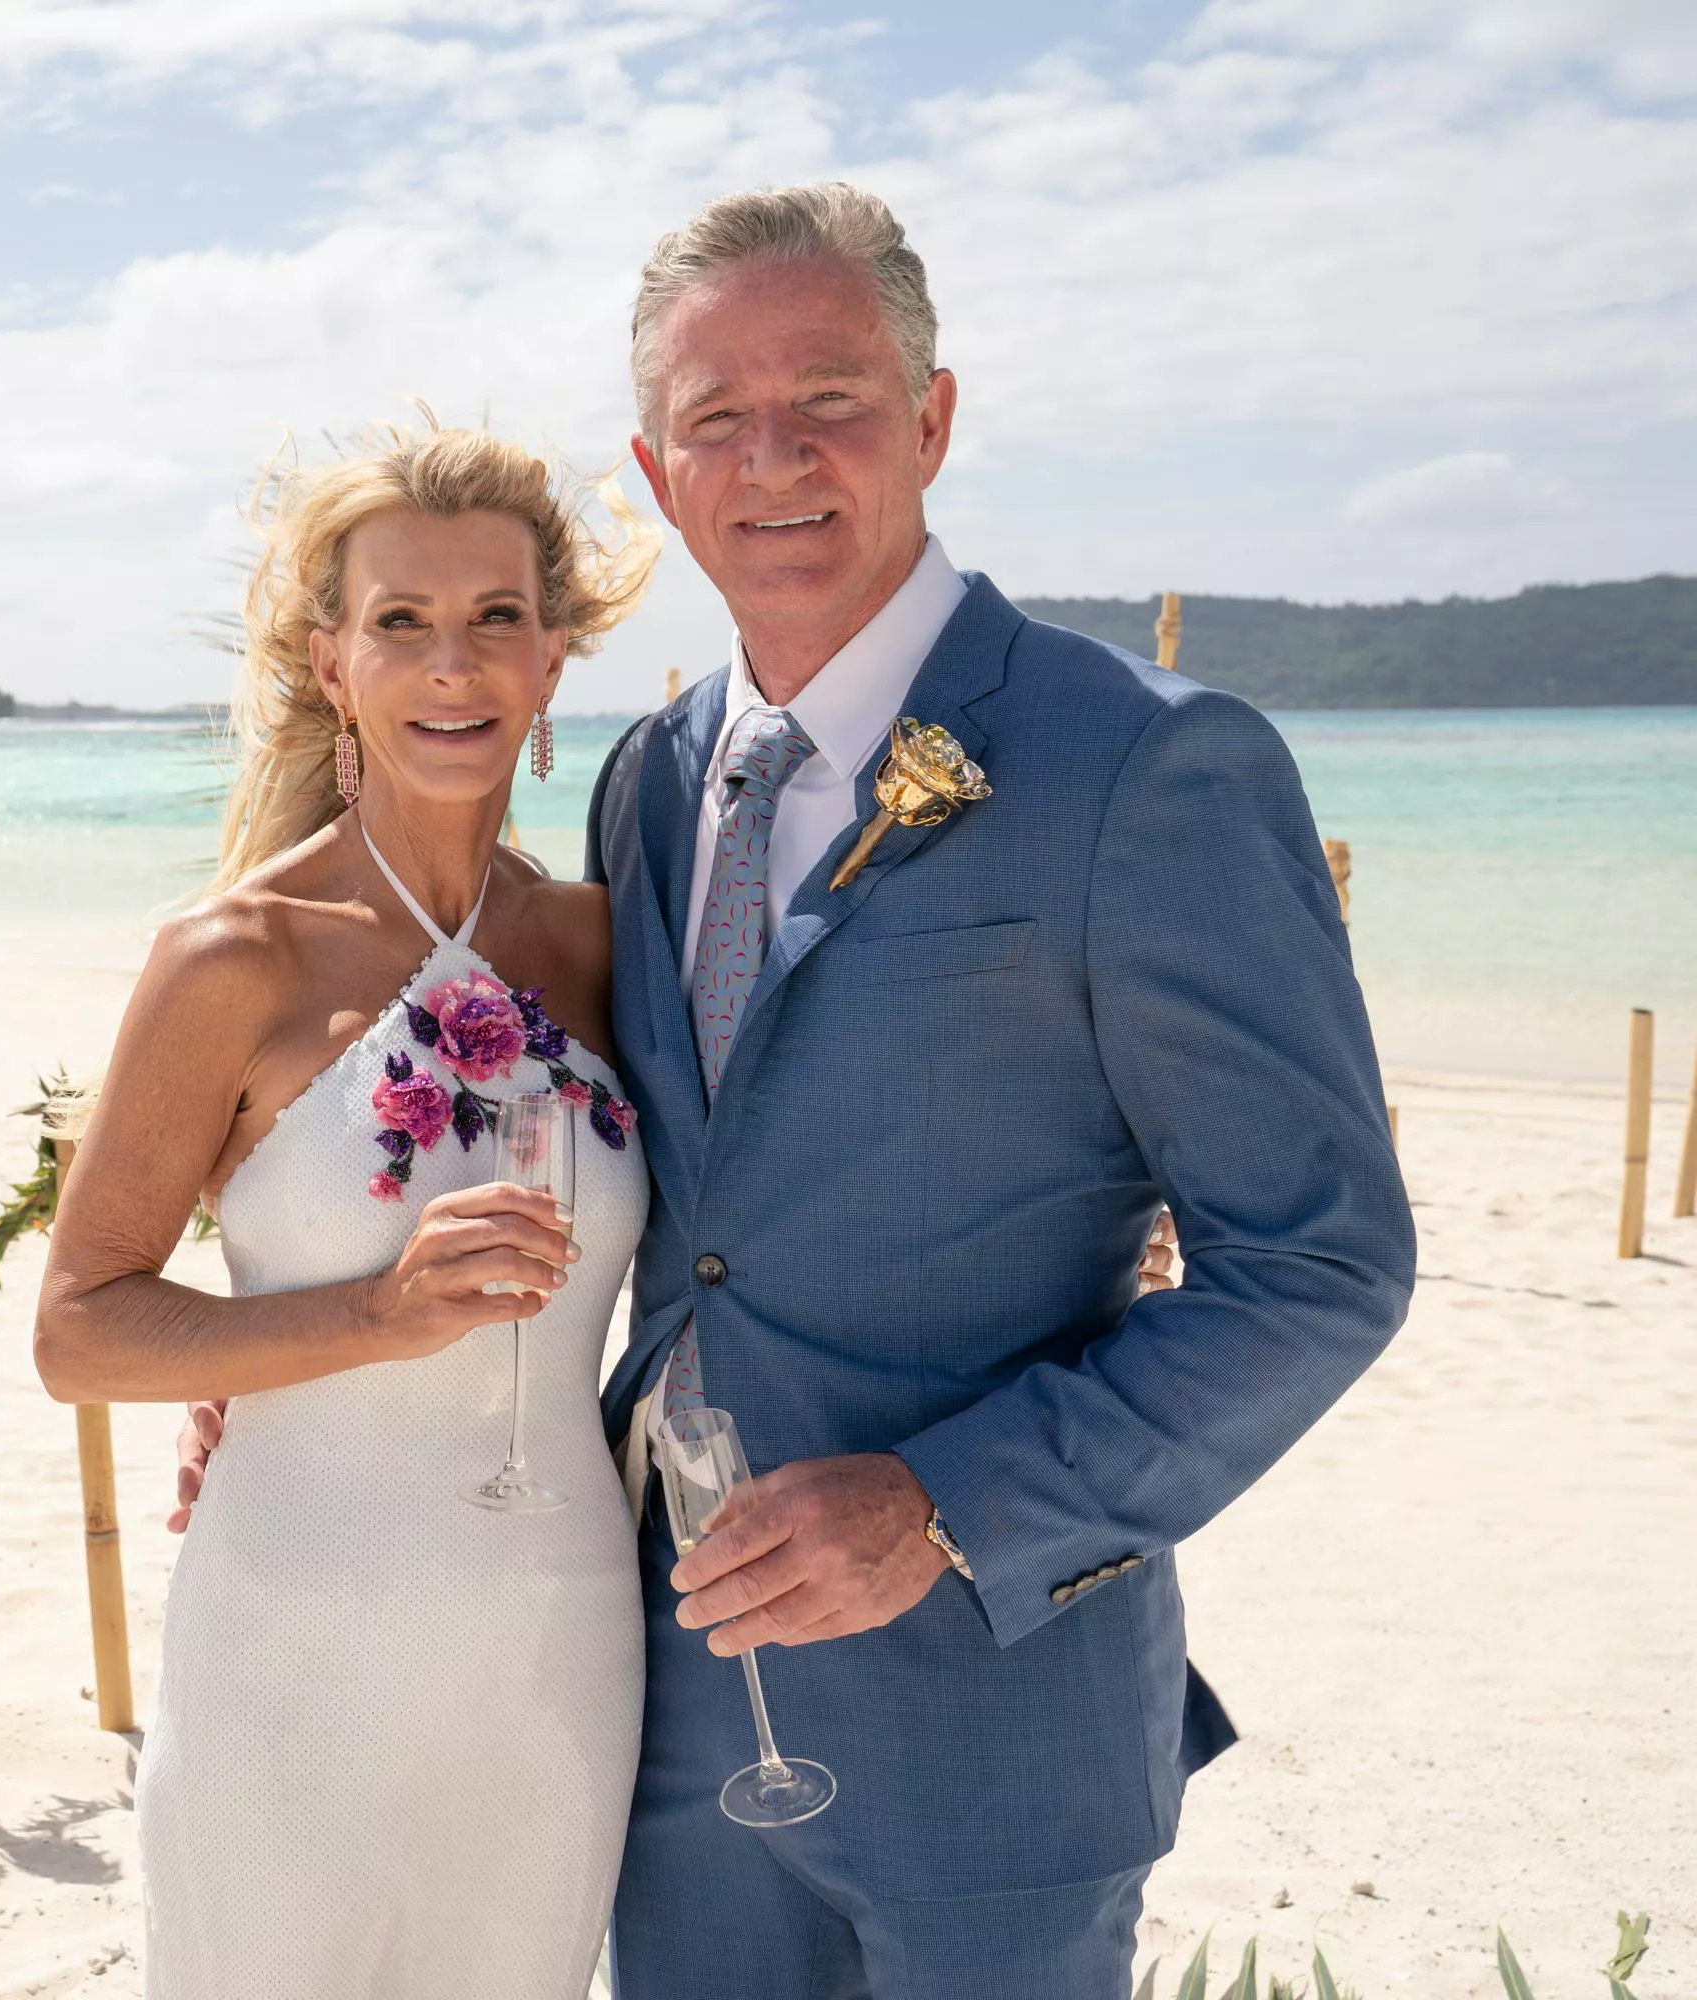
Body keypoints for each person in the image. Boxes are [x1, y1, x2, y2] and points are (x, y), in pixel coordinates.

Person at [583, 183, 1415, 1995]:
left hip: (996, 1734)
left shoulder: (1150, 765)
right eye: (715, 416)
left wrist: (945, 1504)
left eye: (830, 397)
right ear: (655, 473)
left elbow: (1320, 1265)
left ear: (933, 417)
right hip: (667, 1722)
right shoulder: (645, 779)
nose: (773, 456)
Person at [35, 424, 660, 1998]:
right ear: (333, 663)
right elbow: (80, 1331)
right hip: (290, 1642)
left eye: (497, 618)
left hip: (559, 1649)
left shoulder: (601, 948)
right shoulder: (233, 957)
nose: (453, 664)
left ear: (553, 659)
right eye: (402, 621)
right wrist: (371, 1318)